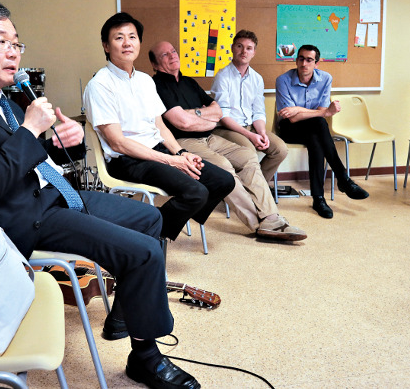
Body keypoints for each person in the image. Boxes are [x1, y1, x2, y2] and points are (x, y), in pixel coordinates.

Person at [0, 1, 200, 389]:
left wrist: (63, 143)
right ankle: (146, 357)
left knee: (151, 218)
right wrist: (29, 130)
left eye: (17, 43)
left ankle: (127, 311)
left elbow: (29, 156)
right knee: (142, 252)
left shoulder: (2, 98)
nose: (13, 52)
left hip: (51, 196)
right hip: (21, 218)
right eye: (1, 41)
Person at [84, 12, 234, 244]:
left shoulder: (145, 80)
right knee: (196, 192)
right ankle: (154, 236)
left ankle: (151, 229)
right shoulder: (99, 85)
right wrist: (172, 162)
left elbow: (159, 125)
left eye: (132, 37)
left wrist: (181, 153)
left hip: (157, 152)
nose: (127, 43)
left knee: (223, 180)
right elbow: (117, 143)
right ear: (106, 45)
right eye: (119, 38)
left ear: (139, 43)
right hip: (127, 160)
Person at [150, 40, 306, 241]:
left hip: (210, 137)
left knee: (248, 156)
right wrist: (204, 117)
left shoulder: (188, 81)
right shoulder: (156, 86)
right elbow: (181, 123)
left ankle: (271, 217)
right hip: (183, 143)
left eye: (173, 51)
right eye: (164, 55)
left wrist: (196, 115)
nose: (172, 56)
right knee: (224, 168)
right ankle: (259, 225)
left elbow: (217, 111)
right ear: (155, 64)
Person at [275, 44, 369, 219]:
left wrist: (298, 108)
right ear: (296, 60)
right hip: (289, 128)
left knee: (315, 135)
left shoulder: (325, 78)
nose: (304, 63)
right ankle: (342, 180)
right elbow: (293, 118)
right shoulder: (283, 80)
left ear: (316, 63)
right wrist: (324, 113)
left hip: (314, 128)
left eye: (309, 60)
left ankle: (319, 199)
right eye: (301, 58)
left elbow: (316, 112)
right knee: (319, 122)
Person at [210, 30, 288, 187]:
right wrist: (250, 136)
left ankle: (256, 189)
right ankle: (251, 193)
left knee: (280, 149)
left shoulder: (257, 79)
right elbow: (223, 116)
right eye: (240, 46)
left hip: (251, 127)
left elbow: (258, 111)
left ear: (254, 52)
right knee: (249, 153)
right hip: (227, 128)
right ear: (232, 48)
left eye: (249, 48)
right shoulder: (222, 76)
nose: (244, 51)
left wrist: (262, 133)